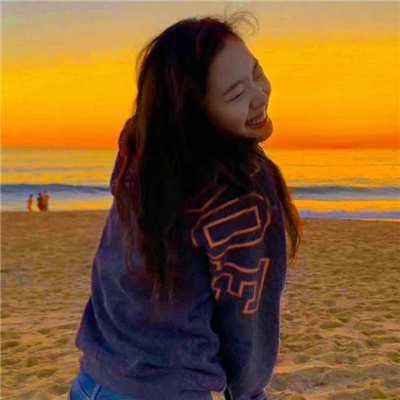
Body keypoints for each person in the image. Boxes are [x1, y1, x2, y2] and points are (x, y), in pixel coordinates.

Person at [67, 10, 303, 400]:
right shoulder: (242, 190)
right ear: (195, 111)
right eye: (235, 94)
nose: (259, 96)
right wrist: (248, 393)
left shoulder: (142, 152)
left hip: (92, 381)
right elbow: (247, 318)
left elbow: (114, 275)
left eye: (257, 73)